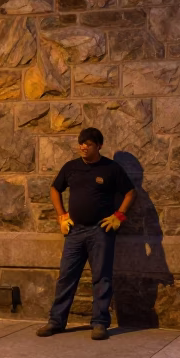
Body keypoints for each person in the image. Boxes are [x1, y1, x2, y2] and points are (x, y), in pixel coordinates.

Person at [37, 127, 135, 341]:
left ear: (98, 146)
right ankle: (56, 321)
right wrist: (61, 216)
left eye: (88, 143)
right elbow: (55, 189)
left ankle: (99, 323)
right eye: (81, 143)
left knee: (102, 277)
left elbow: (130, 192)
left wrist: (119, 216)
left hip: (101, 230)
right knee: (66, 276)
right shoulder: (71, 167)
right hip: (75, 231)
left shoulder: (111, 168)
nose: (83, 146)